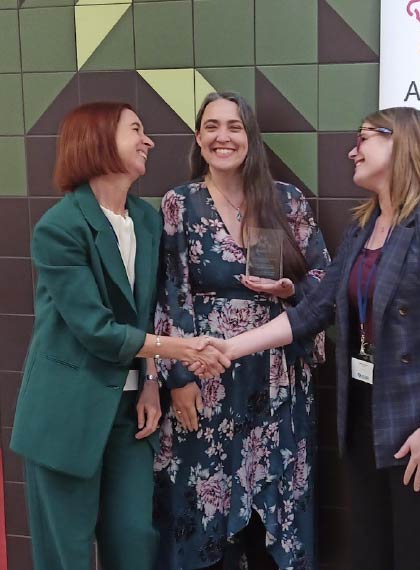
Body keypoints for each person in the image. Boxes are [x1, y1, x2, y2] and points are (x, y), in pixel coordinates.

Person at [206, 107, 420, 570]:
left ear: (402, 142)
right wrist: (230, 348)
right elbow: (314, 309)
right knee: (370, 552)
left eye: (364, 138)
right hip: (369, 415)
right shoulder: (365, 226)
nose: (352, 150)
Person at [10, 102, 229, 570]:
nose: (148, 141)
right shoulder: (61, 227)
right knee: (64, 553)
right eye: (136, 130)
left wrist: (151, 380)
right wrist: (178, 349)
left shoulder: (147, 221)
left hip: (132, 413)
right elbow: (96, 330)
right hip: (66, 414)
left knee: (133, 539)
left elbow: (145, 312)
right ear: (98, 140)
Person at [152, 92, 330, 570]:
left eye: (234, 127)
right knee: (204, 502)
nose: (222, 136)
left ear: (250, 137)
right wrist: (179, 379)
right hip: (207, 372)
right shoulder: (180, 203)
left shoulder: (286, 200)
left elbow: (324, 280)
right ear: (198, 137)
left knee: (278, 503)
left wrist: (289, 287)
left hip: (278, 378)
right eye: (211, 126)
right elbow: (171, 293)